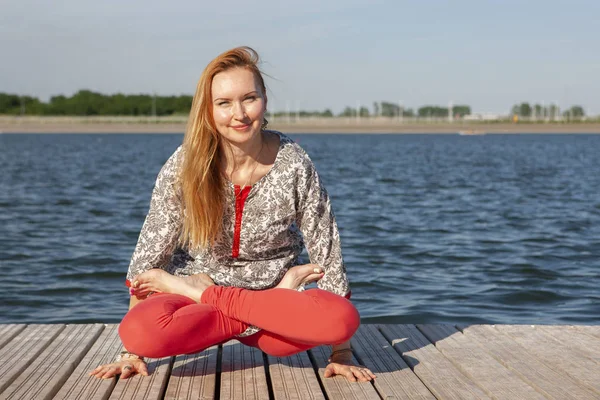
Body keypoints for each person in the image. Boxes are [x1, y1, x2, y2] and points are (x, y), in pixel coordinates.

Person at [89, 46, 375, 383]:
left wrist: (340, 352)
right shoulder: (185, 165)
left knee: (340, 318)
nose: (239, 113)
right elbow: (150, 252)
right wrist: (130, 352)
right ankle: (222, 300)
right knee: (139, 332)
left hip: (270, 298)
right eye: (224, 103)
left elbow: (327, 248)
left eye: (249, 98)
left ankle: (230, 298)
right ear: (208, 110)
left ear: (264, 100)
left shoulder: (295, 163)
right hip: (202, 301)